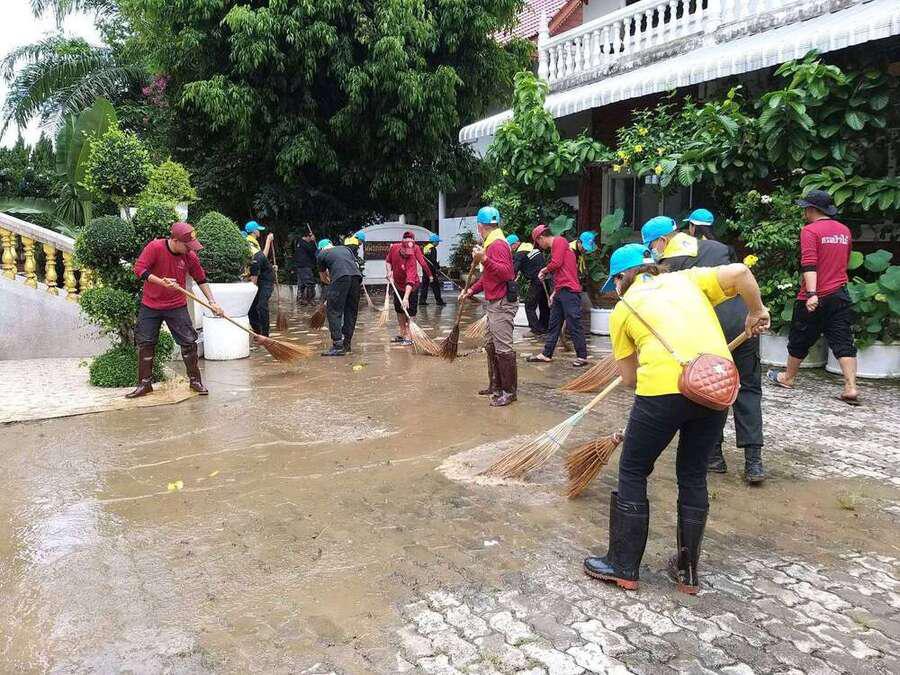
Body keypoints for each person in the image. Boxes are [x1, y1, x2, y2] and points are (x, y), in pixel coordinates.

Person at [583, 244, 770, 594]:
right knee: (693, 473)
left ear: (622, 278)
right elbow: (741, 272)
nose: (616, 289)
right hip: (714, 386)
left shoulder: (624, 309)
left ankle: (623, 566)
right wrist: (756, 311)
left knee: (634, 469)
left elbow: (629, 378)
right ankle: (688, 573)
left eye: (615, 282)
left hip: (661, 392)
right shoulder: (687, 280)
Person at [642, 214, 765, 483]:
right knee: (748, 388)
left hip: (709, 330)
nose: (651, 251)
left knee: (709, 389)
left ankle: (714, 456)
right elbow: (741, 276)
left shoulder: (665, 266)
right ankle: (754, 461)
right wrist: (756, 311)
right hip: (743, 323)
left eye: (651, 245)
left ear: (661, 241)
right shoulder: (717, 246)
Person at [768, 190, 859, 404]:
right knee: (843, 339)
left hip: (814, 295)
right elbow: (844, 261)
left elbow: (809, 263)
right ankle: (851, 387)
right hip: (839, 293)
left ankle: (788, 377)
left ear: (811, 210)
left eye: (805, 209)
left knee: (800, 337)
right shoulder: (844, 231)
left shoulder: (810, 230)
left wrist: (811, 294)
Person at [128, 221, 224, 398]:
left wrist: (212, 302)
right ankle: (144, 384)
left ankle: (195, 381)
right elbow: (139, 269)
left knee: (189, 342)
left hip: (176, 305)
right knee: (145, 343)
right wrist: (161, 282)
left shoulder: (189, 256)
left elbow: (201, 279)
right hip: (151, 304)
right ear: (175, 240)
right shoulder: (155, 247)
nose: (190, 249)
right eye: (187, 245)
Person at [461, 207, 518, 406]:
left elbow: (507, 273)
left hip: (502, 303)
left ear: (479, 226)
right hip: (494, 302)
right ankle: (496, 386)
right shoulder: (491, 242)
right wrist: (471, 290)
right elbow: (488, 277)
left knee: (503, 348)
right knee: (490, 344)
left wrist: (484, 259)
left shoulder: (497, 244)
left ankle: (509, 392)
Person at [526, 224, 590, 367]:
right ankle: (546, 354)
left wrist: (543, 270)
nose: (540, 246)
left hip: (570, 292)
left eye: (538, 242)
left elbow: (556, 263)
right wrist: (554, 293)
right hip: (561, 291)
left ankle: (582, 356)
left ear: (541, 238)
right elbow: (562, 273)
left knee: (574, 323)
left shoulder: (559, 241)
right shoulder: (558, 247)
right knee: (554, 324)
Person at [384, 231, 432, 346]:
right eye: (406, 251)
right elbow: (388, 261)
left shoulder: (411, 257)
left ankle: (409, 336)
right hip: (397, 285)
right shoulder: (394, 248)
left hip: (412, 287)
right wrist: (389, 272)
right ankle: (402, 333)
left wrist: (406, 298)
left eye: (410, 251)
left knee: (411, 311)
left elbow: (410, 280)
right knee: (399, 310)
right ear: (402, 245)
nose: (408, 254)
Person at [316, 238, 363, 356]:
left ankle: (338, 345)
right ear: (331, 245)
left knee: (333, 311)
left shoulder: (321, 254)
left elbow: (323, 278)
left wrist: (332, 284)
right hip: (356, 278)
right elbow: (352, 265)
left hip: (340, 278)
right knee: (351, 312)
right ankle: (347, 344)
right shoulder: (345, 249)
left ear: (321, 248)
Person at [509, 233, 549, 335]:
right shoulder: (531, 248)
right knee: (543, 304)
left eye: (510, 246)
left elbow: (514, 270)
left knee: (529, 305)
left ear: (516, 244)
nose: (510, 249)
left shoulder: (520, 253)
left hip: (537, 280)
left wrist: (509, 280)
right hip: (546, 279)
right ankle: (544, 327)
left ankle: (535, 330)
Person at [245, 220, 275, 337]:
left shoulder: (253, 243)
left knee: (262, 305)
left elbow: (262, 259)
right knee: (252, 306)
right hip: (258, 277)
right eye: (258, 230)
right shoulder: (250, 244)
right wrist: (268, 241)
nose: (259, 232)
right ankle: (258, 331)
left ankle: (265, 335)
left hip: (266, 279)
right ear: (254, 231)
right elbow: (261, 258)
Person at [419, 233, 446, 306]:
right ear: (434, 241)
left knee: (424, 286)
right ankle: (439, 301)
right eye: (437, 242)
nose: (438, 243)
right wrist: (438, 267)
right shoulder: (433, 248)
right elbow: (433, 260)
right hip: (431, 270)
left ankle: (422, 301)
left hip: (425, 269)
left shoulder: (426, 248)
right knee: (436, 286)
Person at [294, 230, 318, 305]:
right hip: (305, 266)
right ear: (307, 237)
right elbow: (312, 250)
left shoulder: (299, 243)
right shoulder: (304, 243)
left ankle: (301, 299)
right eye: (310, 238)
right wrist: (313, 241)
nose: (310, 239)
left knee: (301, 283)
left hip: (300, 266)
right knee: (310, 283)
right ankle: (311, 299)